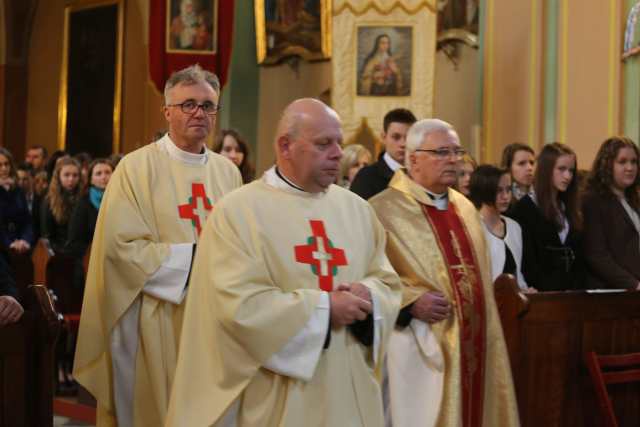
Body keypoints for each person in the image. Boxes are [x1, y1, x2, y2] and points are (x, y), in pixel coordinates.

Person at [167, 98, 401, 427]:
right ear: (285, 145)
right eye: (323, 144)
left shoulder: (358, 211)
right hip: (278, 400)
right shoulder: (238, 213)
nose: (337, 153)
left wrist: (370, 296)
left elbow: (388, 282)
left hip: (348, 392)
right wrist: (324, 309)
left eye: (339, 143)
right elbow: (235, 306)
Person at [73, 65, 242, 427]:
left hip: (215, 318)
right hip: (158, 320)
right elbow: (121, 251)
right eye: (188, 104)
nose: (199, 113)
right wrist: (195, 259)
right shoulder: (135, 169)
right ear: (167, 112)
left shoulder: (228, 173)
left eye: (208, 105)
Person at [369, 119, 519, 427]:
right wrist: (409, 302)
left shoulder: (465, 209)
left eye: (457, 151)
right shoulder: (381, 211)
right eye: (441, 152)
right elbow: (367, 279)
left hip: (474, 343)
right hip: (417, 347)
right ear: (413, 159)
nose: (454, 159)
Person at [510, 142, 585, 291]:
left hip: (572, 296)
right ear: (546, 170)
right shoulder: (524, 209)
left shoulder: (569, 207)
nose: (567, 176)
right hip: (542, 296)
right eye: (561, 169)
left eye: (571, 171)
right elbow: (528, 262)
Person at [582, 136, 640, 290]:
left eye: (634, 162)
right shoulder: (593, 200)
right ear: (607, 165)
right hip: (609, 293)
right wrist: (634, 284)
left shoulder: (634, 200)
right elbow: (596, 256)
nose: (630, 167)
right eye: (622, 162)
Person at [469, 164, 533, 292]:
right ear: (484, 190)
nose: (505, 196)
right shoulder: (471, 227)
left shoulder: (514, 227)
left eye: (508, 189)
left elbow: (517, 274)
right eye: (499, 190)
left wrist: (525, 291)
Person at [350, 108, 416, 199]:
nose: (403, 144)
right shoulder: (366, 177)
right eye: (396, 137)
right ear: (384, 137)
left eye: (408, 137)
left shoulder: (421, 174)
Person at [66, 159, 113, 258]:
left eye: (107, 172)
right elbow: (74, 241)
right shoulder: (83, 203)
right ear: (91, 179)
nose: (104, 177)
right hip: (89, 258)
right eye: (98, 173)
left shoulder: (121, 200)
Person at [41, 156, 81, 254]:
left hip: (80, 251)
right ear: (58, 176)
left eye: (75, 175)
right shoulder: (49, 201)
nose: (71, 179)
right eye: (66, 175)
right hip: (59, 252)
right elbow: (47, 236)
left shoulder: (83, 198)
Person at [0, 148, 34, 254]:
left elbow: (27, 220)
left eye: (7, 164)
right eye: (0, 165)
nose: (4, 168)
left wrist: (25, 240)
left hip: (20, 245)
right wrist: (9, 243)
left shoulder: (17, 190)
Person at [16, 163, 42, 243]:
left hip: (36, 244)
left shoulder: (42, 200)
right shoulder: (9, 200)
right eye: (18, 179)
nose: (20, 183)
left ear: (33, 179)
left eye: (25, 179)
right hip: (16, 244)